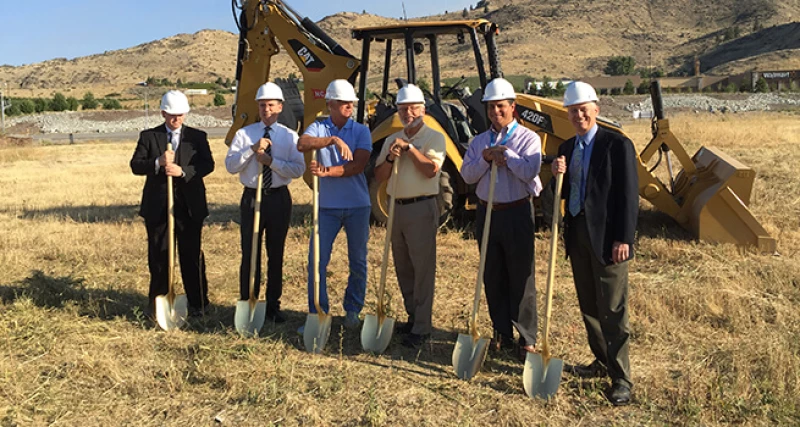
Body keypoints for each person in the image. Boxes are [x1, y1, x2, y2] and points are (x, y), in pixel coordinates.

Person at [551, 81, 639, 406]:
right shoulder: (566, 148)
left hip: (607, 239)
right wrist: (556, 174)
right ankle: (601, 361)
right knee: (589, 306)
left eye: (583, 110)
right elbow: (563, 194)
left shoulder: (617, 145)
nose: (578, 116)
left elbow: (628, 195)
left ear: (596, 110)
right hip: (577, 236)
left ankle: (621, 378)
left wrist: (624, 238)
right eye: (573, 111)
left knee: (612, 309)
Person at [460, 77, 542, 360]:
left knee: (521, 276)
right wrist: (485, 158)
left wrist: (507, 157)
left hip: (517, 212)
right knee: (493, 275)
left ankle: (527, 338)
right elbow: (467, 175)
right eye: (491, 107)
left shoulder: (528, 139)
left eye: (501, 106)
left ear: (512, 107)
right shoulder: (479, 142)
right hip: (487, 213)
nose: (496, 112)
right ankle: (502, 332)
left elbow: (530, 171)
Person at [130, 90, 215, 318]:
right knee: (160, 255)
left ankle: (198, 303)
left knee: (191, 255)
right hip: (158, 207)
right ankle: (159, 304)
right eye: (171, 114)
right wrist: (157, 162)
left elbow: (207, 165)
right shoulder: (149, 136)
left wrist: (183, 171)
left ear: (185, 113)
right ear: (163, 113)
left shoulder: (197, 137)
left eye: (180, 114)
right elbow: (136, 165)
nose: (176, 119)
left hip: (190, 206)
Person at [225, 82, 305, 323]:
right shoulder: (245, 134)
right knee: (250, 251)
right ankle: (248, 300)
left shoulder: (289, 136)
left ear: (280, 107)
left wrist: (272, 163)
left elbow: (298, 169)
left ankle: (273, 305)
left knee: (275, 253)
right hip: (252, 197)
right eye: (262, 105)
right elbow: (231, 166)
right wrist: (252, 149)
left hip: (278, 198)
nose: (266, 109)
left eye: (271, 105)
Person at [373, 84, 445, 348]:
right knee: (403, 267)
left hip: (421, 207)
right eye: (403, 109)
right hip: (395, 207)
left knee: (422, 268)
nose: (408, 113)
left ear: (423, 110)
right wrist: (390, 158)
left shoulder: (434, 138)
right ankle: (412, 317)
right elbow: (379, 176)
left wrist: (410, 150)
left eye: (413, 108)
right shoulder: (392, 139)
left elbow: (430, 170)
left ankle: (423, 327)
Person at [296, 79, 372, 330]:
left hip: (357, 206)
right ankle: (318, 313)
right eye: (343, 102)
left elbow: (358, 165)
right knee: (316, 261)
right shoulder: (319, 127)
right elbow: (302, 144)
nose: (349, 106)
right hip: (326, 207)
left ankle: (353, 310)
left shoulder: (361, 131)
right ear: (330, 104)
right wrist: (332, 141)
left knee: (358, 260)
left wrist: (327, 172)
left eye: (351, 102)